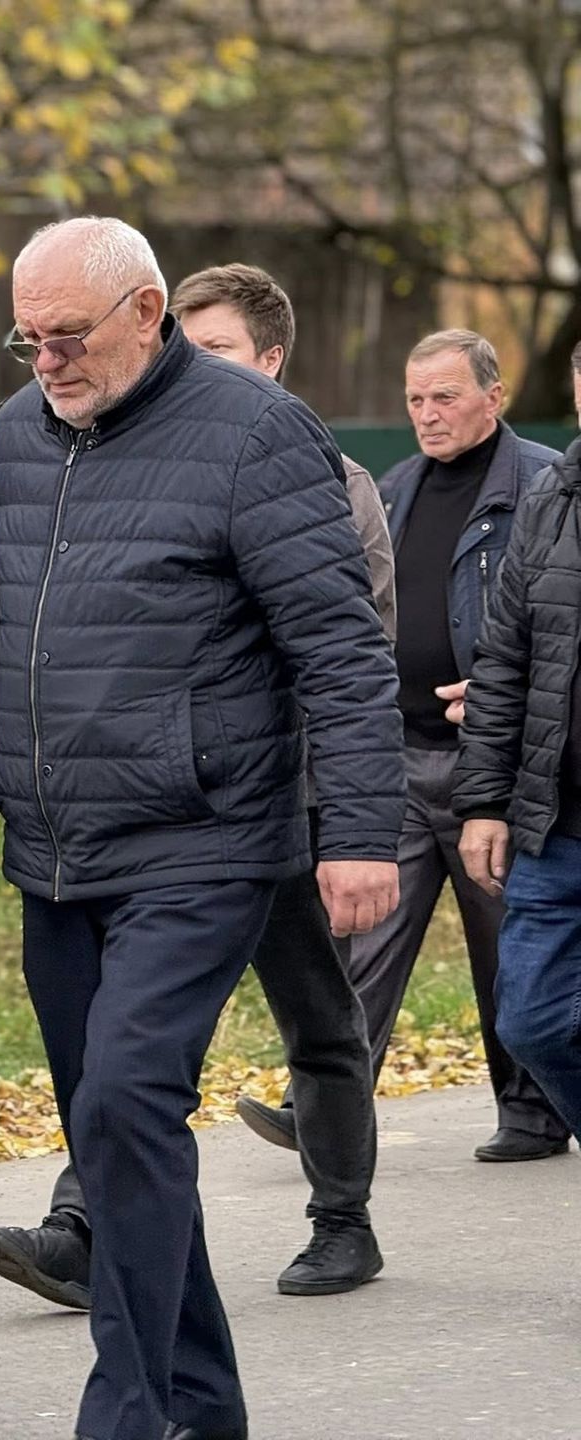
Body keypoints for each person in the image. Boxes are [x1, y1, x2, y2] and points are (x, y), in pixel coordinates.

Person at [0, 218, 403, 1440]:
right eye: (29, 338)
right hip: (57, 852)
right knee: (115, 1138)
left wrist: (363, 830)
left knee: (123, 1103)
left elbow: (339, 649)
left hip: (205, 838)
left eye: (69, 337)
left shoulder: (257, 435)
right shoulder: (16, 439)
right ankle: (206, 1409)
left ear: (148, 313)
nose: (46, 361)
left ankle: (126, 1412)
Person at [355, 329, 570, 1161]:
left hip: (500, 760)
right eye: (415, 399)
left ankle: (532, 1113)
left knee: (502, 945)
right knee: (366, 938)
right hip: (398, 751)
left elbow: (556, 620)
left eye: (445, 396)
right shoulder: (396, 485)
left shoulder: (545, 483)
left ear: (494, 395)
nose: (427, 414)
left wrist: (502, 689)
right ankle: (328, 1104)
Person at [455, 339, 581, 1137]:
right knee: (529, 1022)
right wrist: (483, 804)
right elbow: (502, 664)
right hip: (555, 825)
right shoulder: (552, 498)